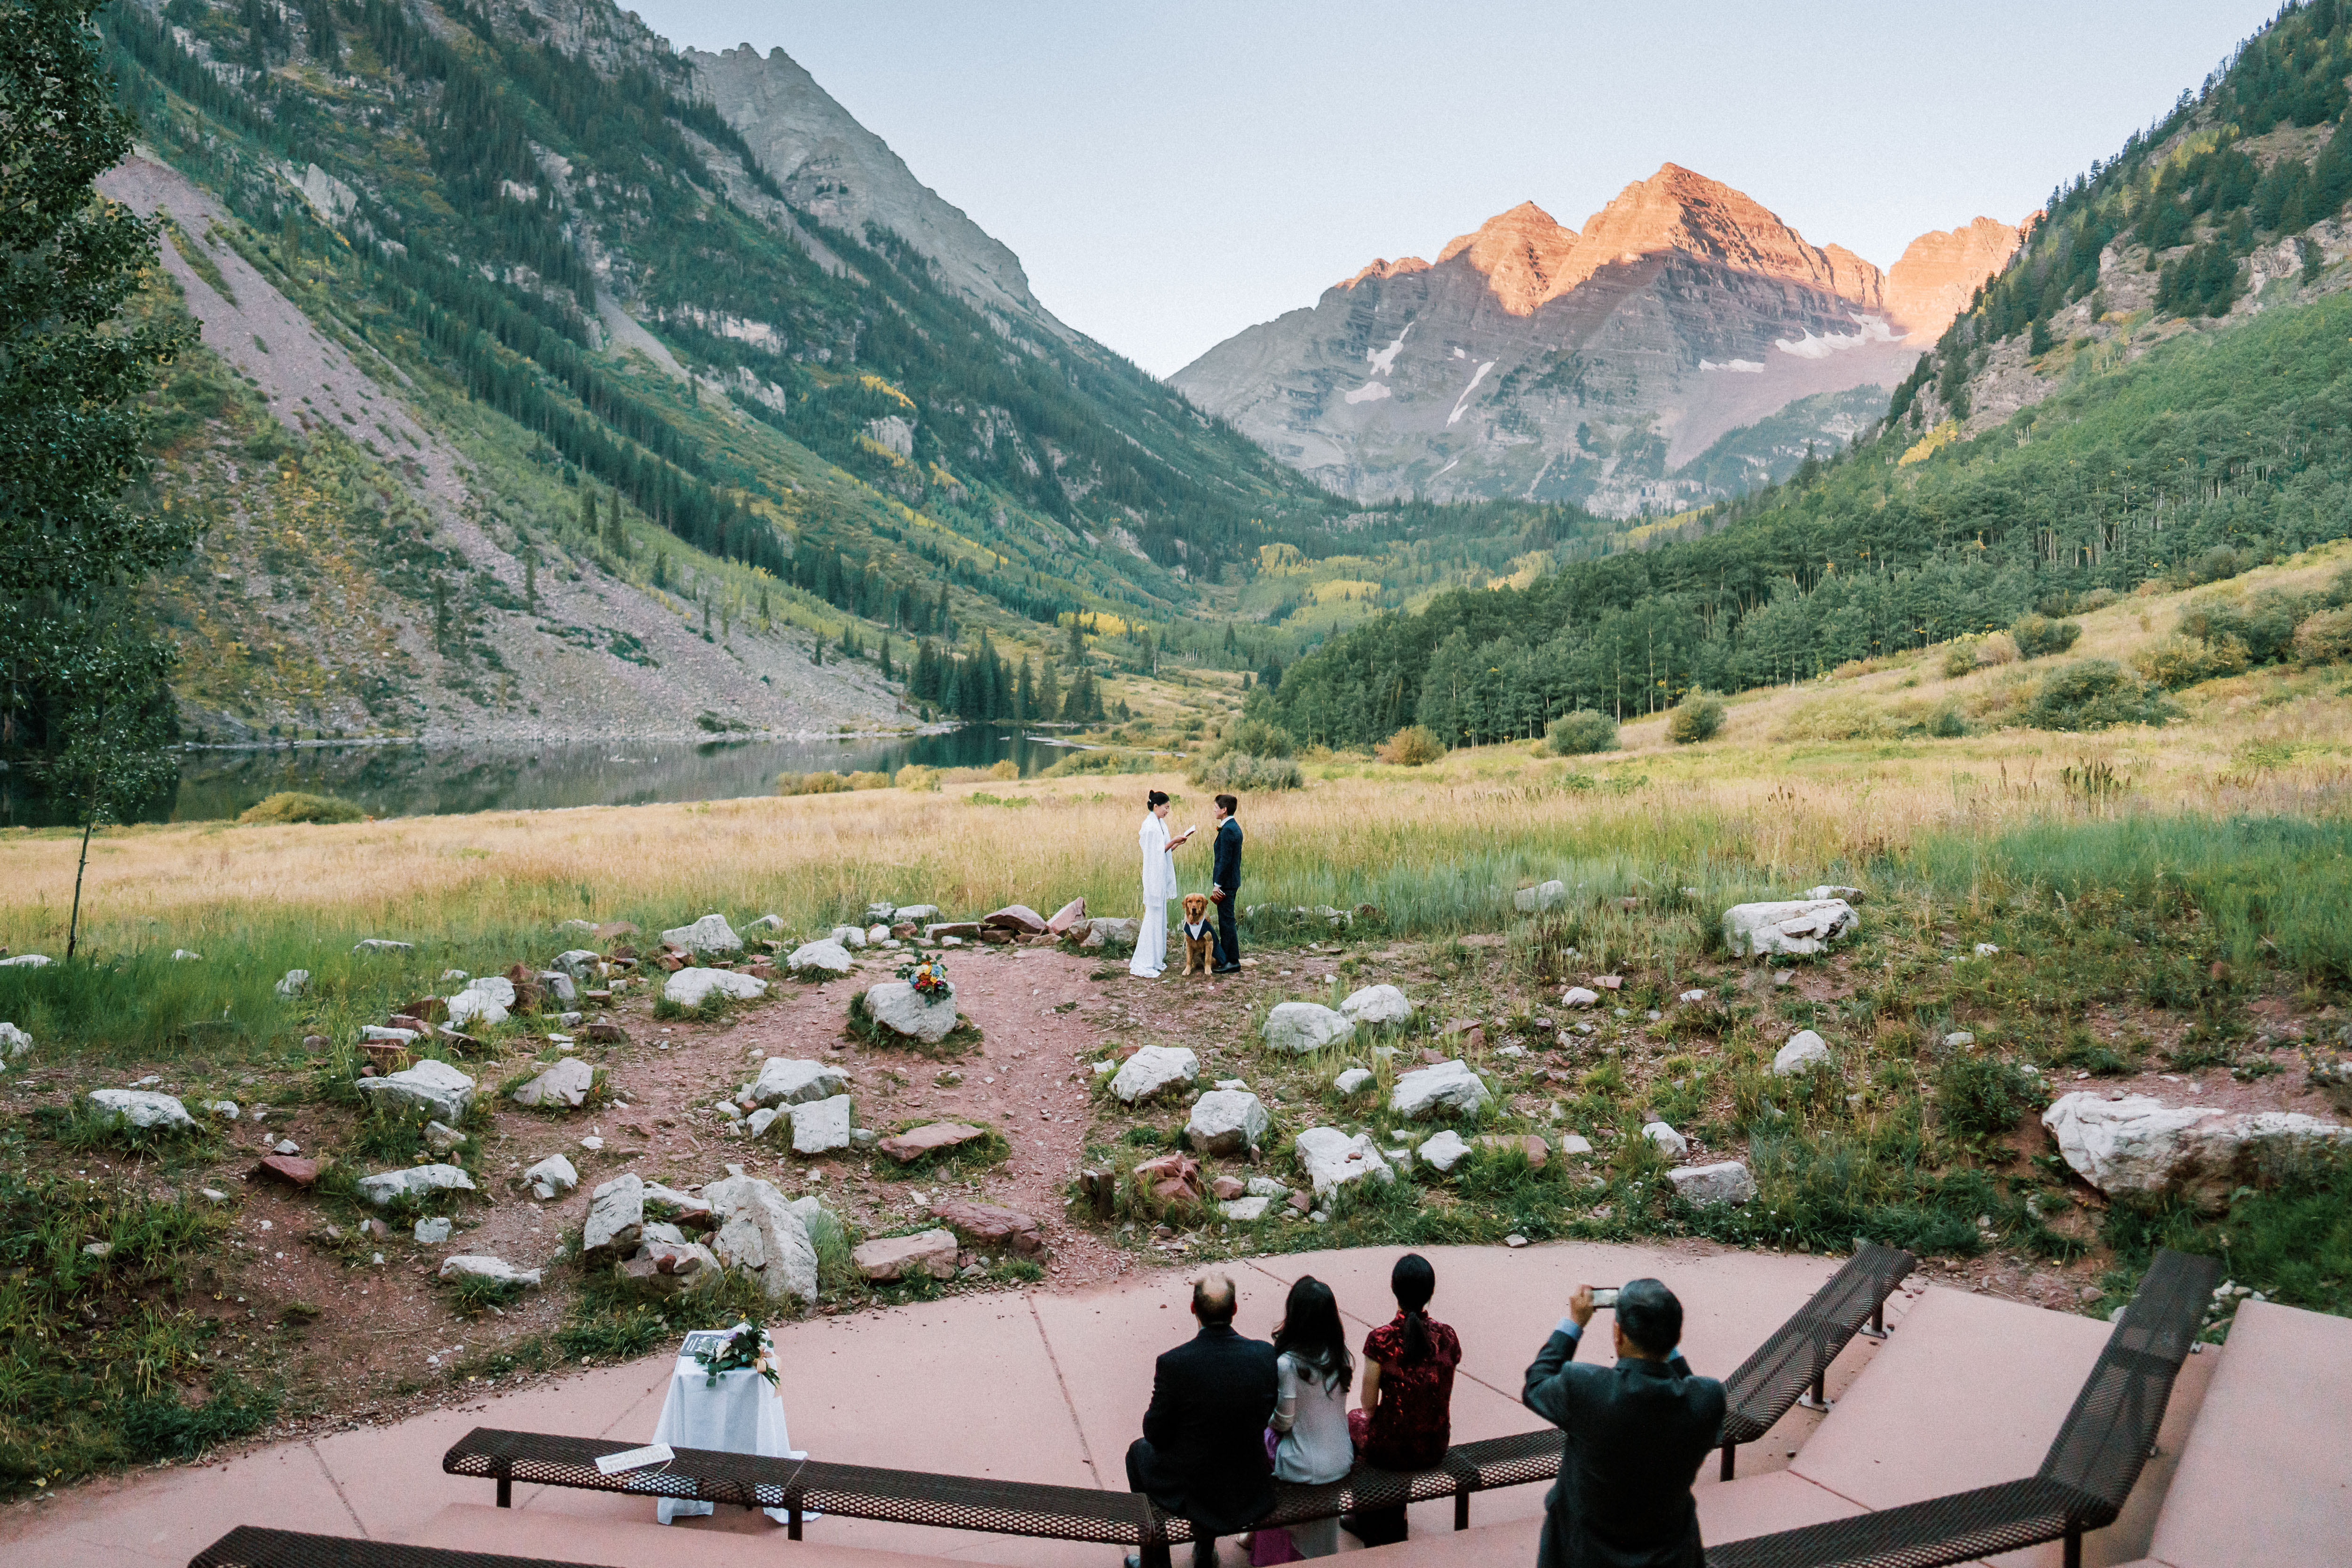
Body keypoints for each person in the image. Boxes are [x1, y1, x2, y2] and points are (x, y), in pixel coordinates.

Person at [1521, 1279, 1726, 1568]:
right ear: (1676, 1338)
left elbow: (1537, 1384)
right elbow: (1687, 1384)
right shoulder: (1709, 1398)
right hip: (1672, 1558)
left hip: (1581, 1556)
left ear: (1618, 1334)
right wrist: (1664, 1340)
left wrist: (1574, 1322)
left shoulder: (1585, 1388)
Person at [1126, 1274, 1279, 1568]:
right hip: (1249, 1483)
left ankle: (1156, 1562)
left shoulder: (1174, 1364)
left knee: (1138, 1453)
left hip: (1198, 1491)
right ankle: (1205, 1553)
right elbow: (1266, 1413)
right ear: (1235, 1309)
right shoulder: (1263, 1355)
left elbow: (1155, 1433)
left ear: (1193, 1308)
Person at [1343, 1254, 1460, 1547]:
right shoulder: (1448, 1336)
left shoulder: (1381, 1340)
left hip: (1392, 1450)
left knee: (1354, 1421)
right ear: (1431, 1293)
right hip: (1435, 1444)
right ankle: (1393, 1511)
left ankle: (1370, 1513)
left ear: (1394, 1288)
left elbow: (1368, 1407)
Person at [1258, 1276, 1353, 1560]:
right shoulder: (1341, 1357)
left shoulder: (1288, 1364)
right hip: (1342, 1460)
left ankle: (1265, 1541)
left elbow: (1284, 1422)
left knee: (1259, 1444)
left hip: (1304, 1466)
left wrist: (1266, 1421)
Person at [1130, 790, 1193, 979]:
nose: (1168, 811)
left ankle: (1157, 958)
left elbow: (1164, 850)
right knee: (1152, 917)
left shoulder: (1160, 823)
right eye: (1166, 808)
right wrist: (1172, 841)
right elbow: (1154, 853)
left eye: (1169, 808)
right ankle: (1145, 960)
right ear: (1156, 806)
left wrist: (1177, 843)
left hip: (1161, 876)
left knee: (1160, 919)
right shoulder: (1149, 826)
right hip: (1153, 877)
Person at [1208, 793, 1243, 973]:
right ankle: (1228, 959)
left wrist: (1218, 885)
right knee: (1226, 920)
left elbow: (1226, 860)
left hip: (1227, 884)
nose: (1214, 809)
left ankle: (1232, 961)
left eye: (1216, 807)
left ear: (1224, 810)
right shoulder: (1232, 826)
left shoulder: (1229, 829)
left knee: (1227, 921)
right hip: (1231, 882)